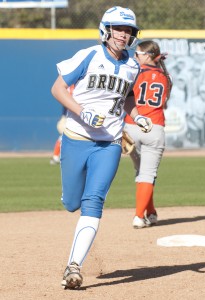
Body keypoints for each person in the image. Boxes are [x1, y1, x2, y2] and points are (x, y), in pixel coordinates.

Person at [51, 6, 152, 290]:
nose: (123, 34)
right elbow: (58, 89)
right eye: (119, 28)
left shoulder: (133, 65)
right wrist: (82, 112)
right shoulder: (89, 56)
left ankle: (74, 266)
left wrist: (138, 115)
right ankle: (71, 199)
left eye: (128, 30)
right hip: (77, 138)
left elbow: (128, 99)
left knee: (93, 201)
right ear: (105, 29)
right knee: (73, 202)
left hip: (109, 143)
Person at [124, 40, 172, 229]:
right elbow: (164, 103)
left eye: (138, 54)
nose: (135, 57)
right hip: (155, 128)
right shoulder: (166, 77)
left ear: (148, 56)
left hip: (132, 126)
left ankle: (148, 213)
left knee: (142, 173)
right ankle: (141, 215)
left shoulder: (134, 72)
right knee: (147, 174)